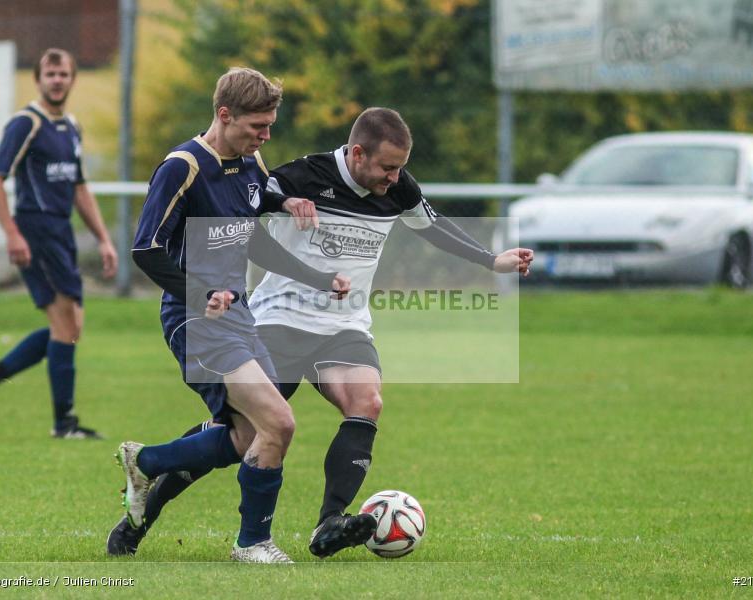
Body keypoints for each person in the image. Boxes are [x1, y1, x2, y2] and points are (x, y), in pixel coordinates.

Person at [106, 107, 533, 558]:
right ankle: (142, 512)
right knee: (242, 433)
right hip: (280, 320)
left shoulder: (397, 187)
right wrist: (275, 209)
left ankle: (329, 521)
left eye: (400, 168)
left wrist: (491, 261)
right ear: (357, 153)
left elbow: (434, 226)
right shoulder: (302, 176)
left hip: (343, 325)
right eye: (387, 167)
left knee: (366, 402)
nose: (394, 177)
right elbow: (238, 212)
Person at [112, 66, 349, 564]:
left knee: (246, 436)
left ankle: (146, 460)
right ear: (224, 114)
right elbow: (146, 249)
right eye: (256, 127)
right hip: (195, 320)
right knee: (280, 423)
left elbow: (253, 224)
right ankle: (252, 544)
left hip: (237, 316)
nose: (265, 137)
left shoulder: (249, 161)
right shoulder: (183, 167)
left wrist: (293, 217)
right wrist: (201, 295)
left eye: (268, 127)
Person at [0, 48, 116, 439]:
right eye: (50, 74)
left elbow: (79, 186)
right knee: (66, 324)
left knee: (69, 327)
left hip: (60, 230)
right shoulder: (25, 123)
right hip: (35, 228)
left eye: (63, 73)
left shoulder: (72, 127)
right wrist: (12, 233)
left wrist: (103, 239)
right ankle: (64, 424)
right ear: (38, 79)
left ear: (73, 78)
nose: (57, 80)